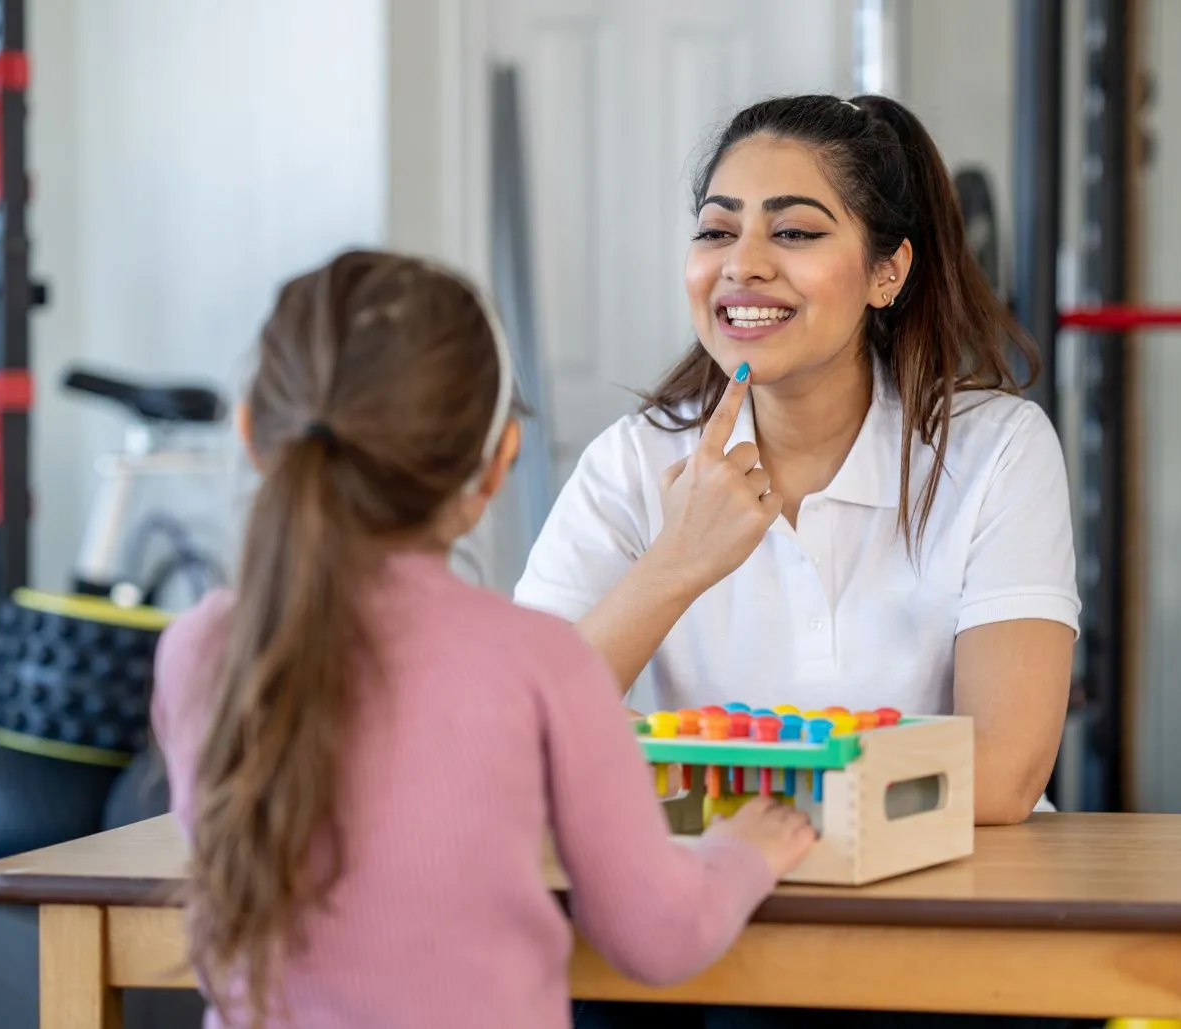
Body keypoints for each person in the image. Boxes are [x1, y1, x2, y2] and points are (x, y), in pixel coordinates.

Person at [513, 94, 1081, 1028]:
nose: (743, 264)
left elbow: (1008, 770)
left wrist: (733, 813)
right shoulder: (631, 462)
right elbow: (518, 743)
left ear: (888, 270)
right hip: (690, 931)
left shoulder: (997, 449)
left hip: (944, 929)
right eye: (716, 229)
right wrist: (675, 563)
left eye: (796, 231)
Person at [149, 250, 816, 1029]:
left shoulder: (196, 647)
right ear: (499, 461)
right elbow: (659, 936)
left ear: (252, 435)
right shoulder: (539, 663)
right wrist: (746, 849)